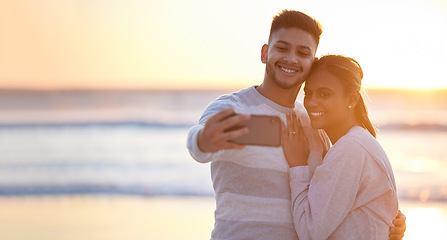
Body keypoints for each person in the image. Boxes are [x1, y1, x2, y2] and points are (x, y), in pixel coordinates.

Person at [187, 10, 406, 240]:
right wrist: (204, 140)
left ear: (312, 62)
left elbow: (333, 196)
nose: (291, 58)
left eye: (302, 52)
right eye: (282, 48)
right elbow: (198, 146)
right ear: (265, 53)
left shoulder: (311, 122)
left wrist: (385, 217)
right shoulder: (235, 109)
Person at [282, 55, 399, 239]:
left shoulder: (350, 149)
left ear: (351, 99)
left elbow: (310, 232)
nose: (311, 102)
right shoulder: (360, 142)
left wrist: (298, 166)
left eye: (324, 94)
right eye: (308, 93)